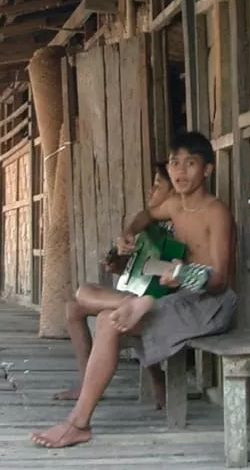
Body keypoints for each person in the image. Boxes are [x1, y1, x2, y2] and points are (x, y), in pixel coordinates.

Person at [32, 131, 237, 449]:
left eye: (191, 164)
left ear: (207, 170)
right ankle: (80, 421)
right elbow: (146, 214)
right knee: (93, 304)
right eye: (174, 163)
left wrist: (183, 275)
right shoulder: (174, 206)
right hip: (179, 297)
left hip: (210, 304)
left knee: (106, 320)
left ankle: (78, 423)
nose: (180, 171)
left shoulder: (216, 212)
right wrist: (127, 234)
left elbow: (221, 279)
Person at [53, 162, 176, 405]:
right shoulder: (150, 226)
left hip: (160, 301)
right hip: (137, 293)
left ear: (172, 194)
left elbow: (170, 275)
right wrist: (117, 263)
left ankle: (156, 379)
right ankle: (86, 381)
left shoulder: (176, 229)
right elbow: (134, 270)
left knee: (90, 299)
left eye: (157, 186)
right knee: (73, 307)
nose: (151, 192)